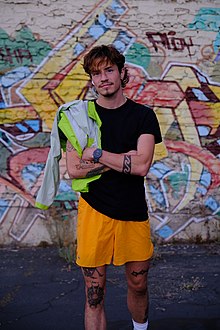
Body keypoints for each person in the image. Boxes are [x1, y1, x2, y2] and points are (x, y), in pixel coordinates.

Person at [66, 44, 162, 330]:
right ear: (91, 80)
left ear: (122, 73)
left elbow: (143, 165)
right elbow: (73, 169)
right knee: (94, 295)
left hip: (132, 212)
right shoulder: (78, 118)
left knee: (139, 283)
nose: (103, 78)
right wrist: (123, 160)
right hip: (94, 212)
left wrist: (96, 154)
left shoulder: (143, 116)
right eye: (96, 73)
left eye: (109, 70)